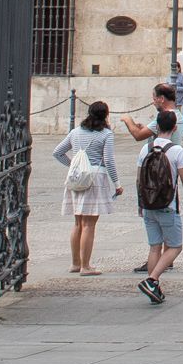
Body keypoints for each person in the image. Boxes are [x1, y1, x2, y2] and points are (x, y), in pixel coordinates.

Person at [135, 109, 183, 304]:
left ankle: (154, 287)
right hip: (168, 204)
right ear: (174, 127)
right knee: (175, 247)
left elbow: (138, 179)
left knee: (155, 247)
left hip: (148, 204)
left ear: (157, 126)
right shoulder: (177, 150)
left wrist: (140, 203)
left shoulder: (146, 149)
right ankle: (152, 280)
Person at [52, 100, 119, 274]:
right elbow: (109, 160)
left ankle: (75, 263)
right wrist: (117, 183)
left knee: (77, 222)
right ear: (105, 115)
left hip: (76, 178)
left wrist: (74, 166)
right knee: (89, 224)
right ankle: (85, 265)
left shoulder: (75, 132)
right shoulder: (106, 134)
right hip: (95, 178)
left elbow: (57, 152)